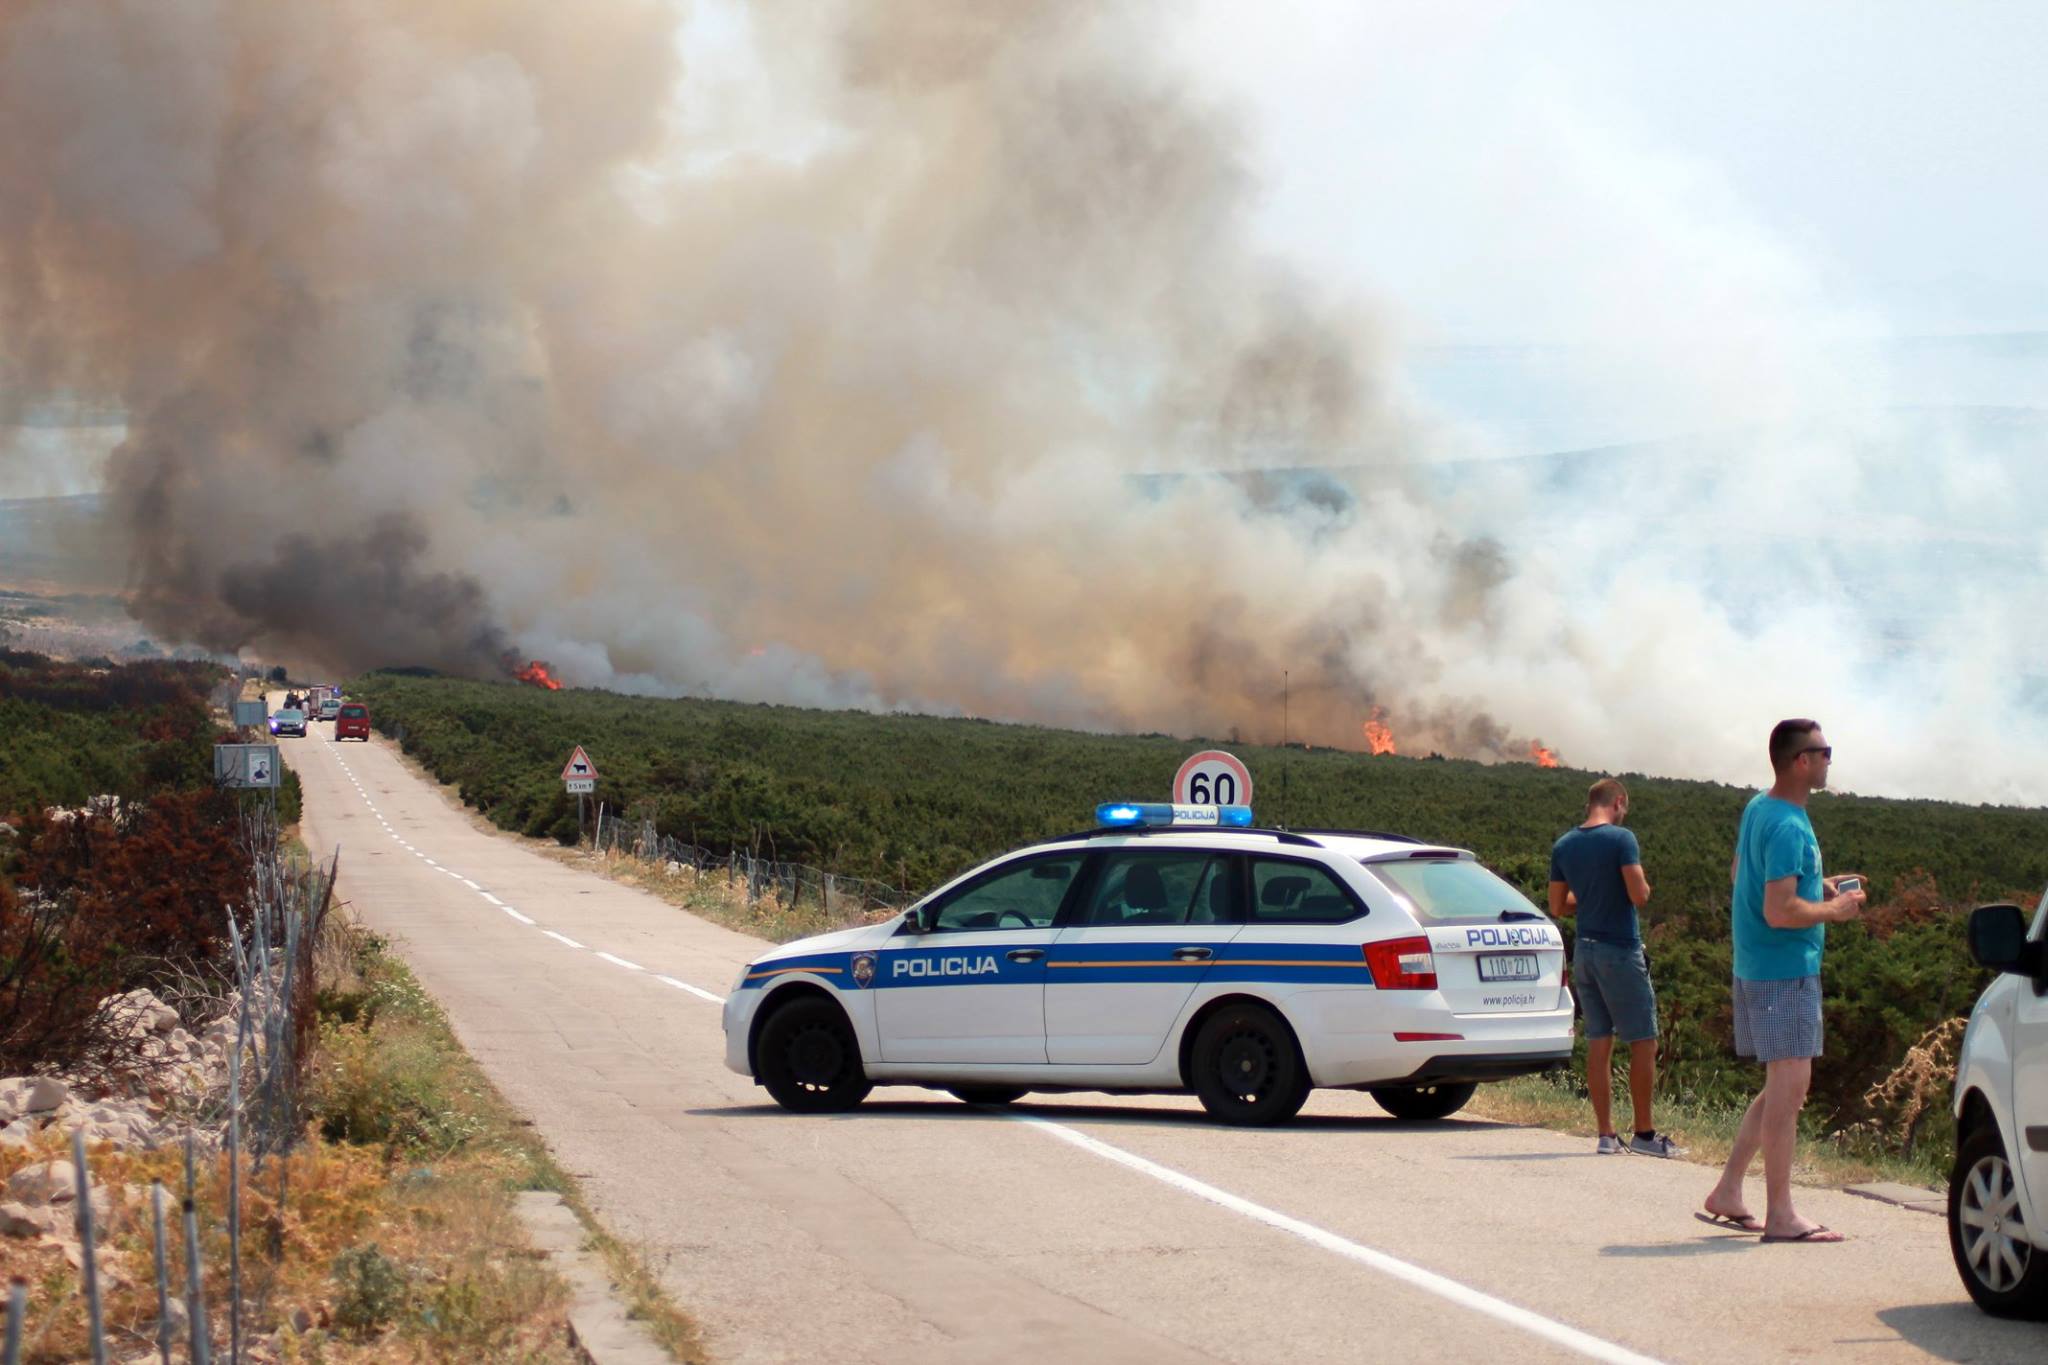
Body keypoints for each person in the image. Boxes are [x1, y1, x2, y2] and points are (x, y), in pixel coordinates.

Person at [1701, 719, 1866, 1242]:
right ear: (1801, 761)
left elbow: (1738, 875)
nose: (1828, 761)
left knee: (1780, 1089)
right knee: (1791, 1093)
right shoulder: (1790, 824)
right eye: (1824, 752)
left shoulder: (1759, 807)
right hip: (1784, 973)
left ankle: (1729, 1190)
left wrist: (1817, 883)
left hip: (1756, 967)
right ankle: (1781, 1215)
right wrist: (1835, 910)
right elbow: (1779, 909)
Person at [1548, 778, 1681, 1157]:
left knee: (1599, 1041)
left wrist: (1590, 898)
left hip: (1585, 952)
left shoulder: (1564, 844)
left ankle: (1606, 1134)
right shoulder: (1622, 839)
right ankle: (1644, 1133)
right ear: (1618, 801)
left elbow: (1558, 906)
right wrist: (1632, 889)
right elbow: (1639, 894)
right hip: (1619, 950)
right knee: (1643, 1040)